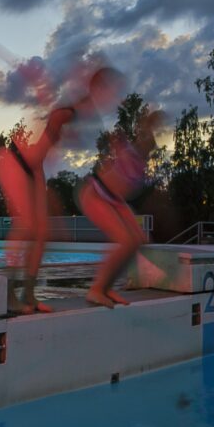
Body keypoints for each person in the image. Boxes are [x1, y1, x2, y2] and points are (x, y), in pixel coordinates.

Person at [0, 67, 124, 314]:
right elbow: (57, 118)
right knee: (27, 226)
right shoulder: (71, 111)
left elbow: (39, 157)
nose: (112, 100)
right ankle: (9, 292)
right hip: (11, 160)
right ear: (99, 90)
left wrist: (47, 197)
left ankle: (29, 295)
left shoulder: (75, 113)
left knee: (43, 231)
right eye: (111, 92)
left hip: (32, 168)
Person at [78, 108, 164, 308]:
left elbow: (142, 140)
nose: (149, 148)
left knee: (139, 239)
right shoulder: (131, 152)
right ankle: (96, 290)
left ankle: (107, 287)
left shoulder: (139, 161)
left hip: (115, 200)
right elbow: (142, 133)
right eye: (147, 145)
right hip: (96, 194)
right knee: (126, 241)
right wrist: (148, 122)